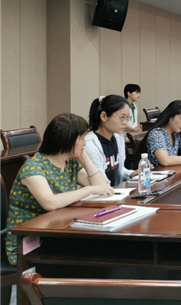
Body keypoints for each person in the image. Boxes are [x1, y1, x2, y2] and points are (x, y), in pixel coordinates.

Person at [5, 113, 115, 264]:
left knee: (102, 249)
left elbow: (102, 186)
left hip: (57, 231)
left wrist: (84, 158)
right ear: (67, 140)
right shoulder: (34, 167)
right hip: (29, 241)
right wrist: (90, 190)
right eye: (82, 138)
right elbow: (50, 203)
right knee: (93, 252)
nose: (85, 142)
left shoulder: (69, 163)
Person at [85, 95, 135, 186]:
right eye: (122, 117)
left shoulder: (118, 138)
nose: (125, 123)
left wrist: (131, 174)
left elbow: (119, 169)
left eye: (127, 118)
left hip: (112, 191)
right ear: (104, 116)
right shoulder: (89, 144)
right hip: (98, 192)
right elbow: (100, 180)